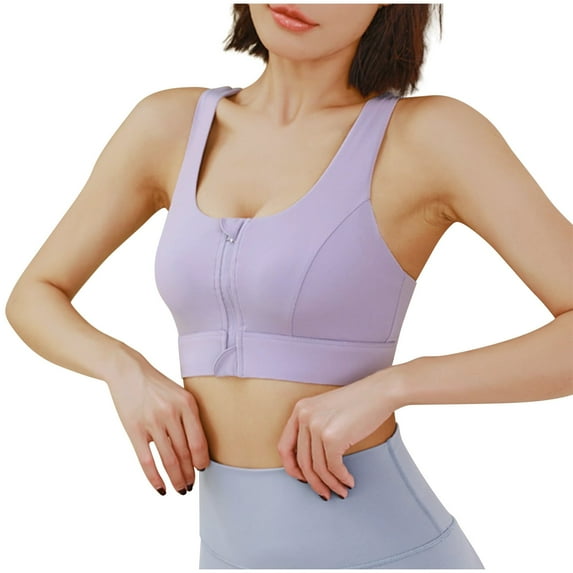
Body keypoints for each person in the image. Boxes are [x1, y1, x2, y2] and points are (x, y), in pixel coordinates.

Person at [5, 3, 572, 569]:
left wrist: (392, 387)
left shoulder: (431, 136)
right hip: (227, 555)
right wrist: (123, 371)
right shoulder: (168, 127)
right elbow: (35, 293)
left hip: (388, 552)